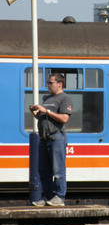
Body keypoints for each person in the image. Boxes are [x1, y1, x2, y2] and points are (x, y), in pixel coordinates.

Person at [29, 73, 73, 206]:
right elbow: (44, 120)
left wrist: (47, 111)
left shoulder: (65, 98)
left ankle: (59, 197)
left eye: (50, 83)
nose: (48, 85)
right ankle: (48, 196)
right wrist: (35, 113)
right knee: (44, 170)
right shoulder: (47, 98)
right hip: (44, 138)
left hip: (56, 137)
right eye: (48, 82)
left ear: (60, 84)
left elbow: (64, 119)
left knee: (58, 170)